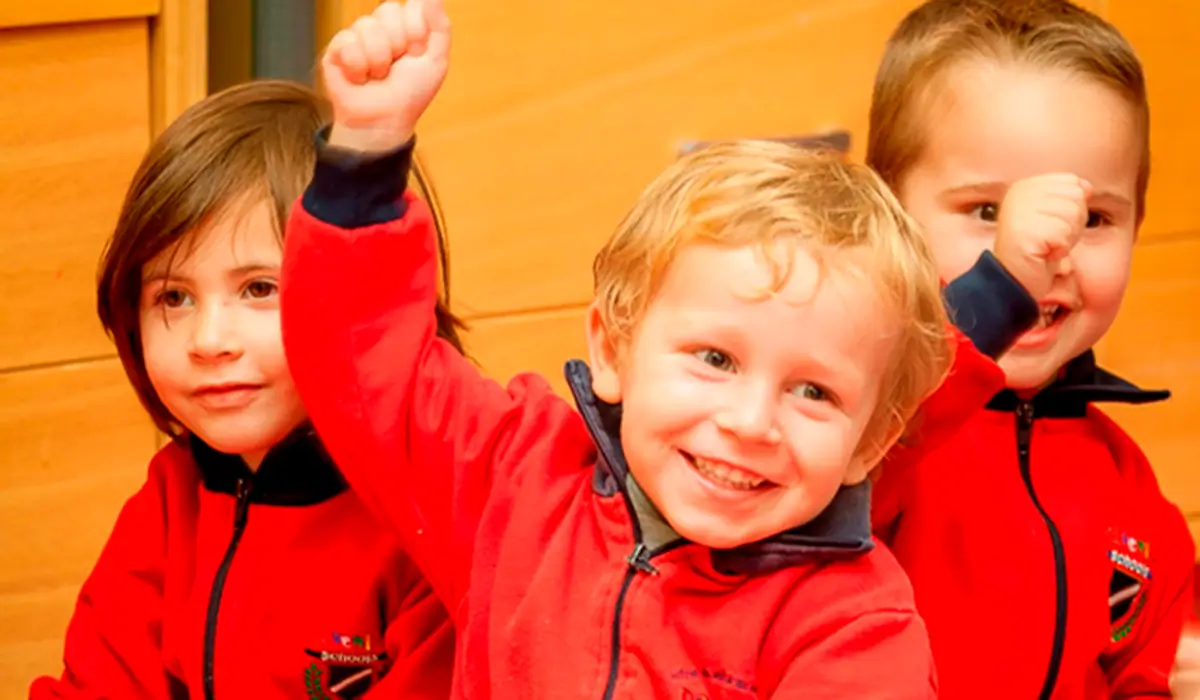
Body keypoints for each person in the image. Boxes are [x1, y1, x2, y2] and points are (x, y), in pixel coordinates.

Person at [280, 2, 1058, 696]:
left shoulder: (855, 626)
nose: (751, 422)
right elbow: (367, 369)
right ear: (613, 350)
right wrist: (366, 154)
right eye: (716, 359)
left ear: (872, 442)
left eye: (813, 392)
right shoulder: (513, 480)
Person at [30, 80, 458, 700]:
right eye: (173, 297)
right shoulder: (169, 504)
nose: (209, 339)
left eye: (259, 288)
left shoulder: (427, 521)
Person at [866, 1, 1195, 697]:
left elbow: (1142, 664)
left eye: (1094, 218)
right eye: (989, 211)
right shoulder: (861, 427)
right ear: (889, 216)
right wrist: (999, 293)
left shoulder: (1124, 480)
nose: (1043, 251)